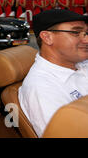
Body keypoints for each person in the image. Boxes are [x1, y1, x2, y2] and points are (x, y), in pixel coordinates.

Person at [18, 9, 88, 137]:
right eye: (76, 33)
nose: (86, 40)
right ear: (47, 37)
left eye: (86, 33)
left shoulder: (81, 63)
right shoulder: (42, 87)